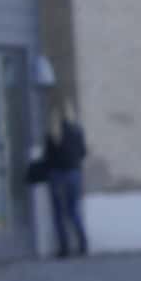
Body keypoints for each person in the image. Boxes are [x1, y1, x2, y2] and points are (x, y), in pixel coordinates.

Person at [36, 107, 87, 257]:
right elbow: (83, 152)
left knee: (58, 213)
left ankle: (64, 248)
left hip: (57, 175)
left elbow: (47, 157)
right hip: (73, 173)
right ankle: (83, 244)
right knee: (73, 211)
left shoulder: (52, 133)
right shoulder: (77, 131)